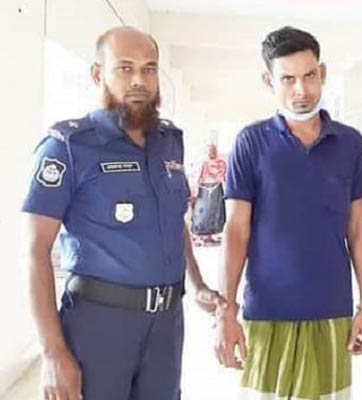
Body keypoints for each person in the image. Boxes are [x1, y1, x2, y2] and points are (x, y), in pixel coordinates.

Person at [22, 26, 223, 400]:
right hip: (99, 324)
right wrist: (52, 352)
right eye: (125, 67)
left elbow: (173, 221)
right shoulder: (68, 148)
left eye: (149, 69)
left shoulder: (169, 143)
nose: (139, 81)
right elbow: (36, 252)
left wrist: (197, 285)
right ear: (98, 74)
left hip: (166, 326)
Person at [213, 26, 362, 399]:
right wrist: (226, 312)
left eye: (309, 75)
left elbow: (358, 227)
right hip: (266, 311)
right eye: (288, 79)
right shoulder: (251, 142)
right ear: (268, 81)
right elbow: (236, 230)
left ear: (322, 73)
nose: (301, 89)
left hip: (331, 310)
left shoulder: (349, 143)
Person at [191, 142, 227, 245]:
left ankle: (212, 235)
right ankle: (202, 235)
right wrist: (194, 190)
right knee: (202, 212)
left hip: (216, 188)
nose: (211, 153)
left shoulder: (221, 163)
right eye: (209, 150)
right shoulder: (202, 163)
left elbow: (224, 176)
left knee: (215, 212)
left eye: (213, 150)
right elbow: (197, 176)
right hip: (204, 189)